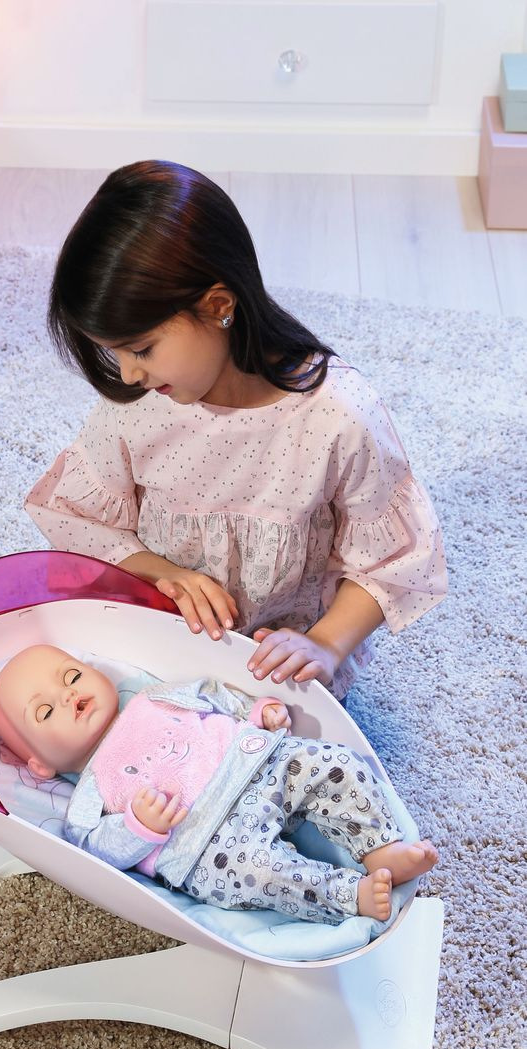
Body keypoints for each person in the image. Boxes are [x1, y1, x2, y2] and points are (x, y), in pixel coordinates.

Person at [25, 161, 447, 702]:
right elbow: (80, 523)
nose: (128, 375)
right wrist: (162, 574)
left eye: (142, 349)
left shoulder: (337, 416)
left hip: (277, 664)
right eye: (116, 353)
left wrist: (324, 646)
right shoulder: (139, 407)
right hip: (163, 640)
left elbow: (393, 561)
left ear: (218, 307)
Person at [0, 645, 439, 926]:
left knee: (333, 763)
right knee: (263, 875)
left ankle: (379, 847)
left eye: (71, 676)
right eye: (45, 711)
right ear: (40, 765)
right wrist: (137, 827)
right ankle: (347, 895)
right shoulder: (89, 790)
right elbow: (92, 850)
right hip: (208, 845)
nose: (67, 695)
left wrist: (257, 711)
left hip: (260, 764)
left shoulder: (153, 697)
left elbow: (214, 696)